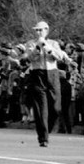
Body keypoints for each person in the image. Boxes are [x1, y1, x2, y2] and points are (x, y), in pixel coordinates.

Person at [21, 19, 69, 147]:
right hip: (38, 75)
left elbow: (59, 57)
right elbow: (29, 58)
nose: (38, 32)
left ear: (46, 30)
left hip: (52, 74)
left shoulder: (53, 43)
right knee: (41, 108)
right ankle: (43, 137)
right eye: (36, 30)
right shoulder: (30, 43)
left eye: (40, 30)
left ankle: (49, 126)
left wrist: (47, 48)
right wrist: (38, 47)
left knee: (55, 106)